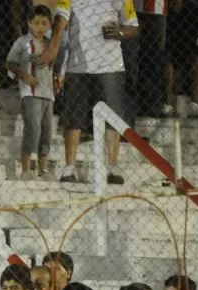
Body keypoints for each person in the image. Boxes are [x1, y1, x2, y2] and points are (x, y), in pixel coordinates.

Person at [40, 0, 138, 184]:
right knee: (73, 117)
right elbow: (61, 19)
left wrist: (120, 32)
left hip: (111, 64)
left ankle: (112, 168)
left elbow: (133, 26)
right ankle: (69, 168)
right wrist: (54, 46)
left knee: (112, 117)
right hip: (78, 64)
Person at [7, 5, 54, 179]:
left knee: (47, 131)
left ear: (49, 24)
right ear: (28, 23)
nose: (39, 27)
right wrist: (24, 76)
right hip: (30, 92)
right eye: (36, 23)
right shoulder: (22, 42)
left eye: (43, 23)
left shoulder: (51, 45)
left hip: (48, 93)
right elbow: (10, 63)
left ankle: (43, 169)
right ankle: (26, 169)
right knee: (33, 128)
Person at [163, 0, 198, 117]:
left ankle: (195, 103)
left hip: (195, 8)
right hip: (175, 9)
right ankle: (168, 103)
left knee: (196, 53)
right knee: (168, 52)